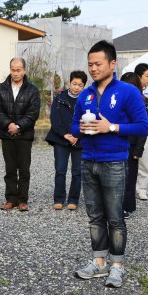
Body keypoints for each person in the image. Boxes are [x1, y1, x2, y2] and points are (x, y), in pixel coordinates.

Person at [71, 40, 148, 288]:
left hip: (114, 161)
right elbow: (73, 126)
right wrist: (81, 129)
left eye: (98, 64)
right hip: (88, 160)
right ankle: (99, 262)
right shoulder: (86, 94)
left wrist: (111, 127)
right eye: (90, 64)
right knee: (95, 217)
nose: (93, 68)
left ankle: (117, 266)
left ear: (112, 63)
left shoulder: (127, 91)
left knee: (115, 217)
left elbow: (142, 126)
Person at [0, 57, 41, 212]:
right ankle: (11, 199)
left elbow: (33, 113)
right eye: (13, 70)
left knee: (24, 169)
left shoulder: (32, 90)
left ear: (24, 70)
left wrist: (19, 126)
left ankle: (23, 200)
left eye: (18, 70)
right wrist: (9, 125)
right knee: (10, 169)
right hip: (7, 135)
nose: (15, 73)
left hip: (24, 136)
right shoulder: (1, 88)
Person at [45, 71, 87, 211]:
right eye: (74, 84)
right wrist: (65, 135)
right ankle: (58, 199)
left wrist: (77, 135)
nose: (76, 87)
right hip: (61, 140)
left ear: (84, 86)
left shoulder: (87, 100)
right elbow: (55, 119)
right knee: (60, 170)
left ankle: (73, 199)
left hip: (79, 140)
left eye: (80, 85)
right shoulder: (59, 98)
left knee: (77, 172)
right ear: (69, 82)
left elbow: (88, 120)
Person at [119, 72, 148, 219]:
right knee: (117, 176)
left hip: (133, 144)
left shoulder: (143, 101)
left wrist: (139, 149)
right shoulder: (118, 100)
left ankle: (128, 207)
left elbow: (143, 129)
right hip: (118, 142)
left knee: (130, 177)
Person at [134, 63, 148, 201]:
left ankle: (141, 189)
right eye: (147, 75)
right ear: (139, 76)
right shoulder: (130, 91)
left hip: (147, 133)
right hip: (133, 131)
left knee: (145, 162)